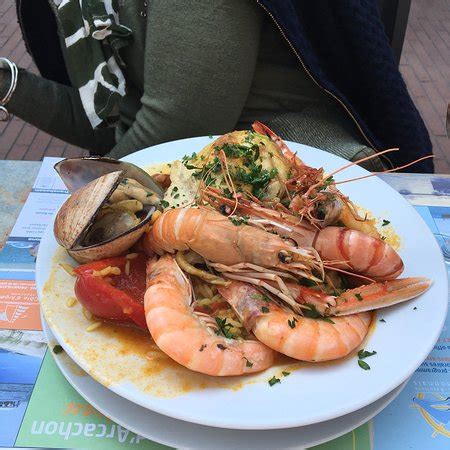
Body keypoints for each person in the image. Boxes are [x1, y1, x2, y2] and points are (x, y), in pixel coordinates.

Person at [0, 0, 433, 173]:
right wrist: (7, 82)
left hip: (298, 170)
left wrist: (87, 193)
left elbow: (175, 130)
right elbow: (104, 123)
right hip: (189, 170)